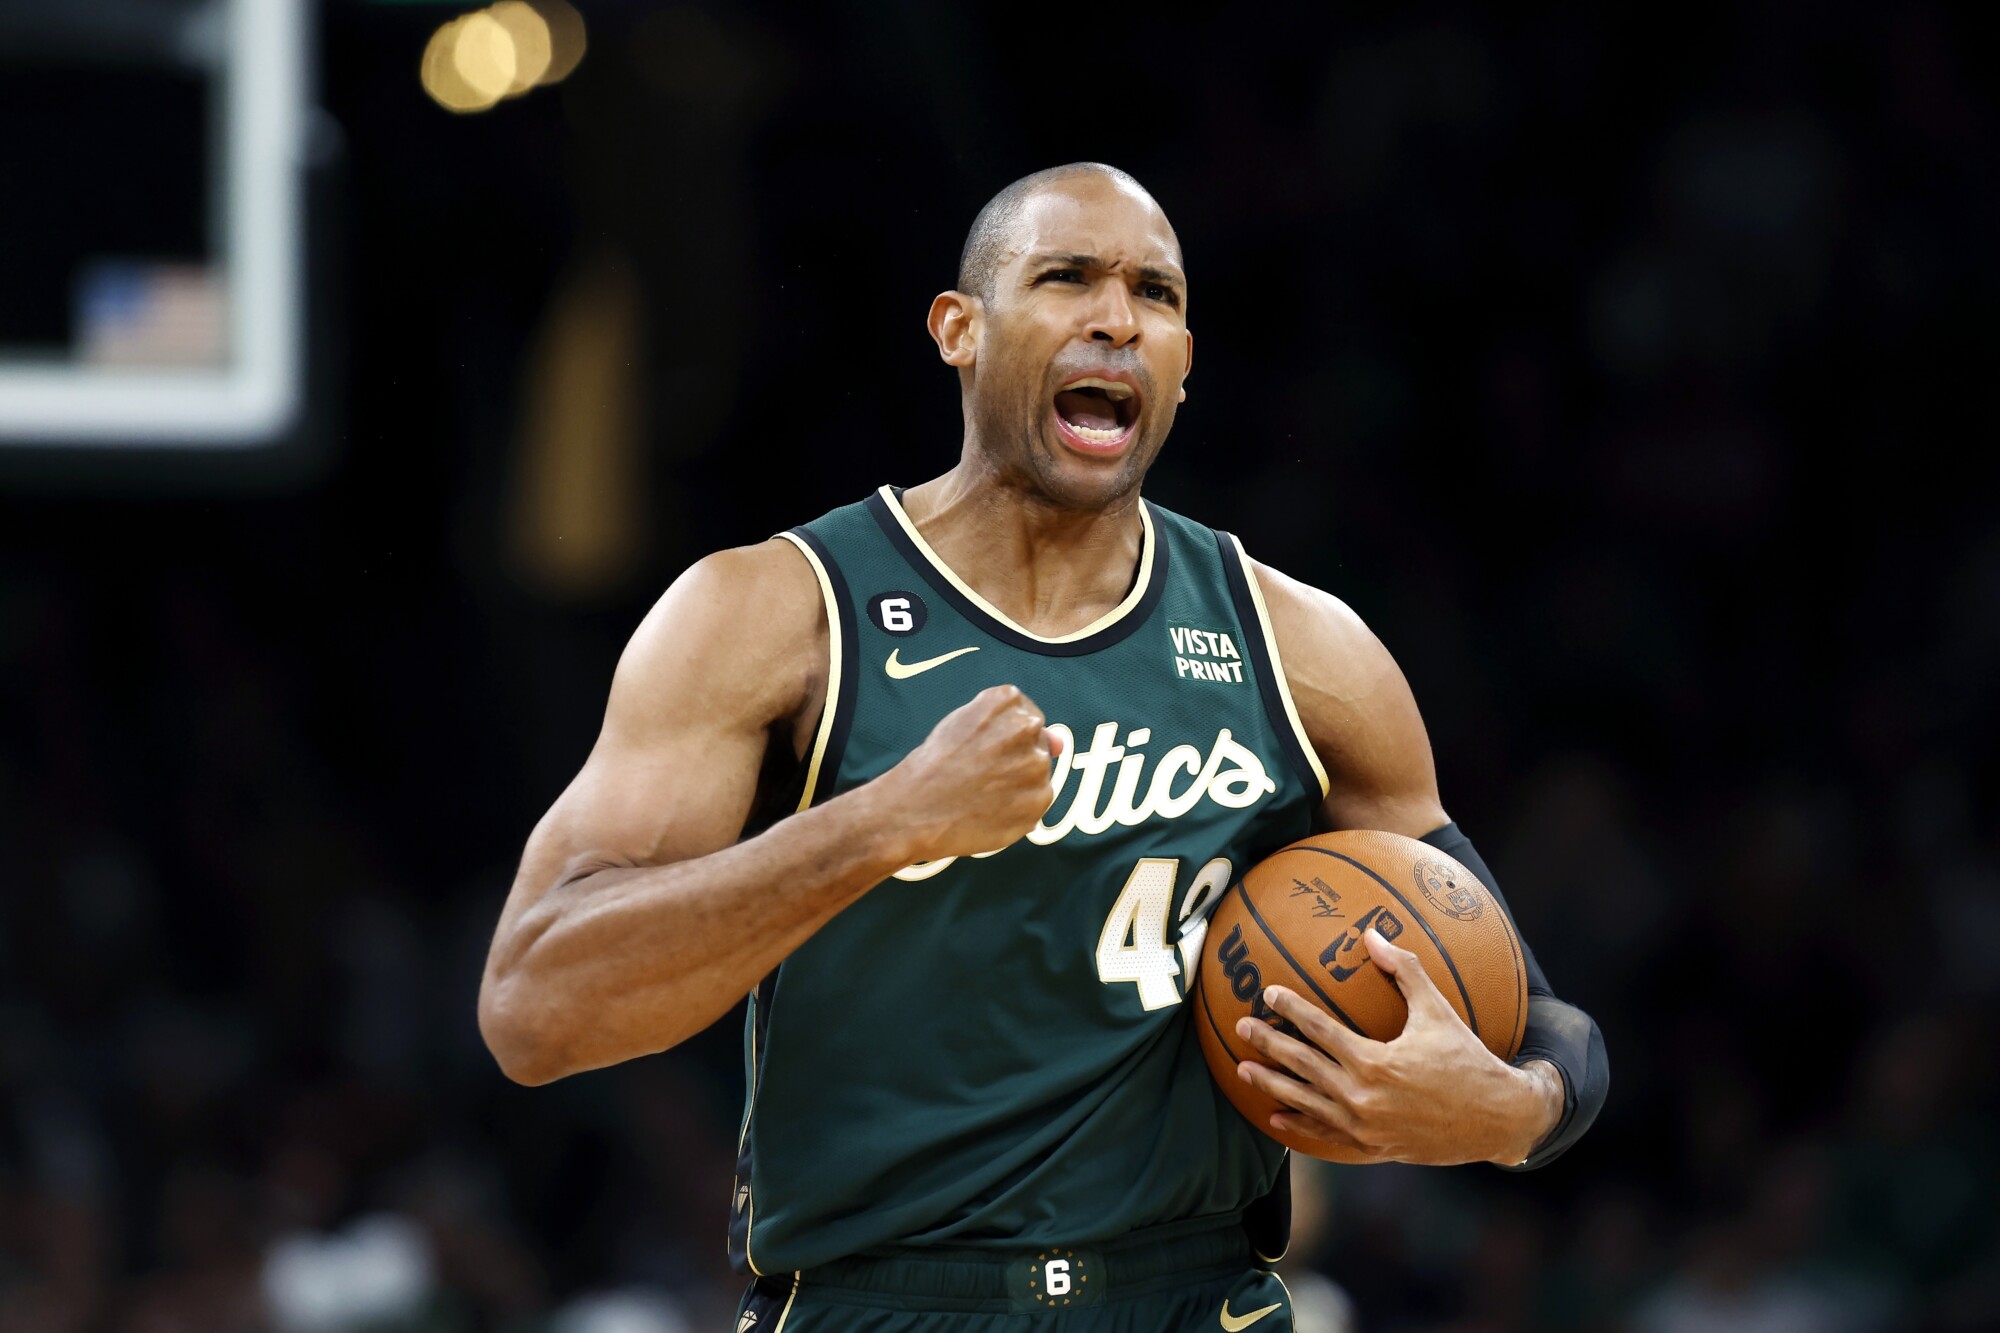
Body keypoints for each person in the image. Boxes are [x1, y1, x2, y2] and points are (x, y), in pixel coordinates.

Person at [477, 162, 1608, 1332]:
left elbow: (1536, 1013)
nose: (1116, 318)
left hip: (1193, 1293)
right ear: (957, 329)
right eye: (1066, 277)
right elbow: (534, 1006)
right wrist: (877, 824)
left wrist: (1504, 1113)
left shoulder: (1301, 648)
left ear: (1181, 363)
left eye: (1154, 295)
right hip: (882, 1297)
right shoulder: (774, 614)